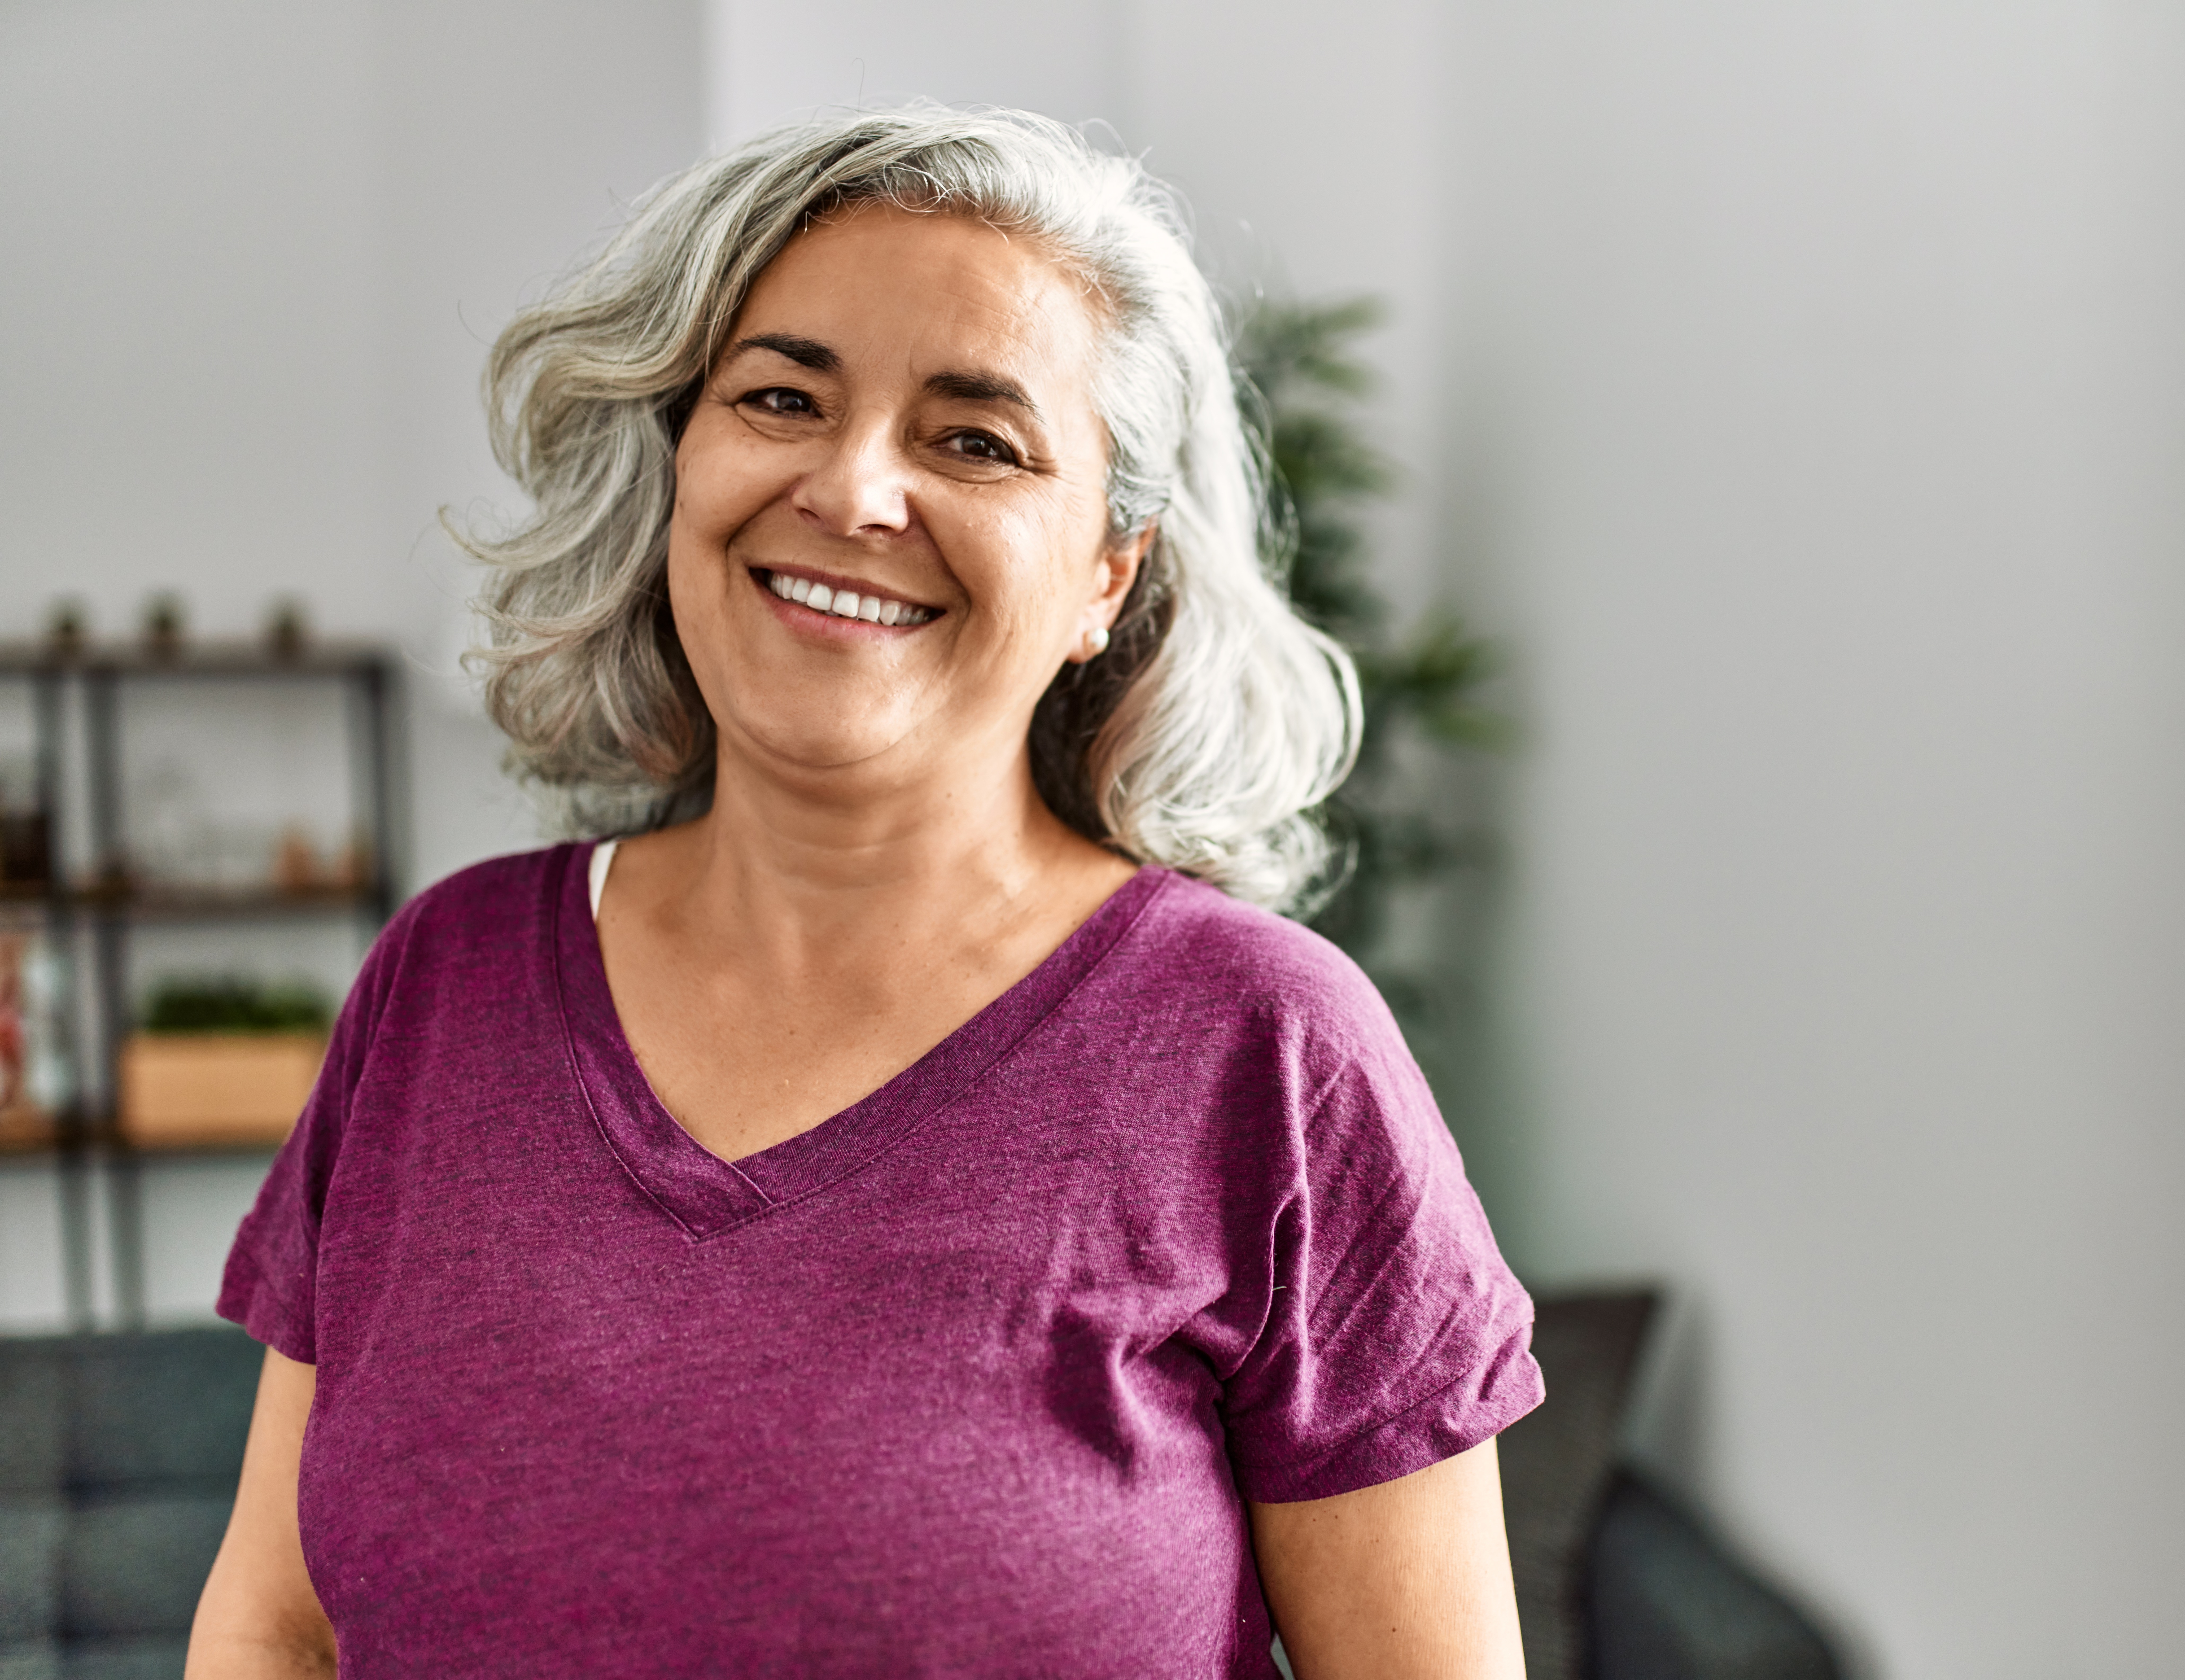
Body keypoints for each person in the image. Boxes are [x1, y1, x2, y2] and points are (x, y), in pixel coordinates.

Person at [187, 106, 1538, 1680]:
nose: (853, 490)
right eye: (782, 399)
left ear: (1108, 575)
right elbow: (276, 1627)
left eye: (976, 440)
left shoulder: (1270, 1049)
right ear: (679, 460)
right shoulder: (445, 979)